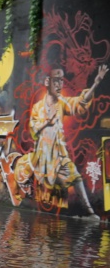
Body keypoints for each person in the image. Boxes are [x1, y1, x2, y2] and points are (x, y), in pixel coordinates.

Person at [15, 65, 106, 218]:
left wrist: (96, 83)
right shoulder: (38, 108)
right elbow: (33, 130)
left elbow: (80, 103)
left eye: (61, 81)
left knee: (75, 176)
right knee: (29, 173)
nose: (59, 85)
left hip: (58, 155)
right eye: (56, 81)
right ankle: (26, 201)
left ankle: (89, 212)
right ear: (47, 82)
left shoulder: (62, 103)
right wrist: (46, 123)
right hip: (42, 156)